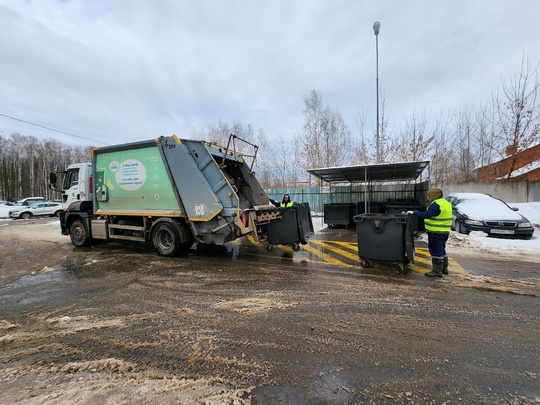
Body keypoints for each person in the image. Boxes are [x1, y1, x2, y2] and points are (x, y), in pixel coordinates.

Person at [408, 188, 452, 277]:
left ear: (433, 195)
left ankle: (437, 271)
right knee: (441, 249)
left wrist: (414, 212)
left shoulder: (436, 204)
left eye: (428, 196)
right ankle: (444, 269)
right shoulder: (445, 203)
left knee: (435, 250)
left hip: (436, 232)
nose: (427, 198)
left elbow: (427, 215)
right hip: (444, 231)